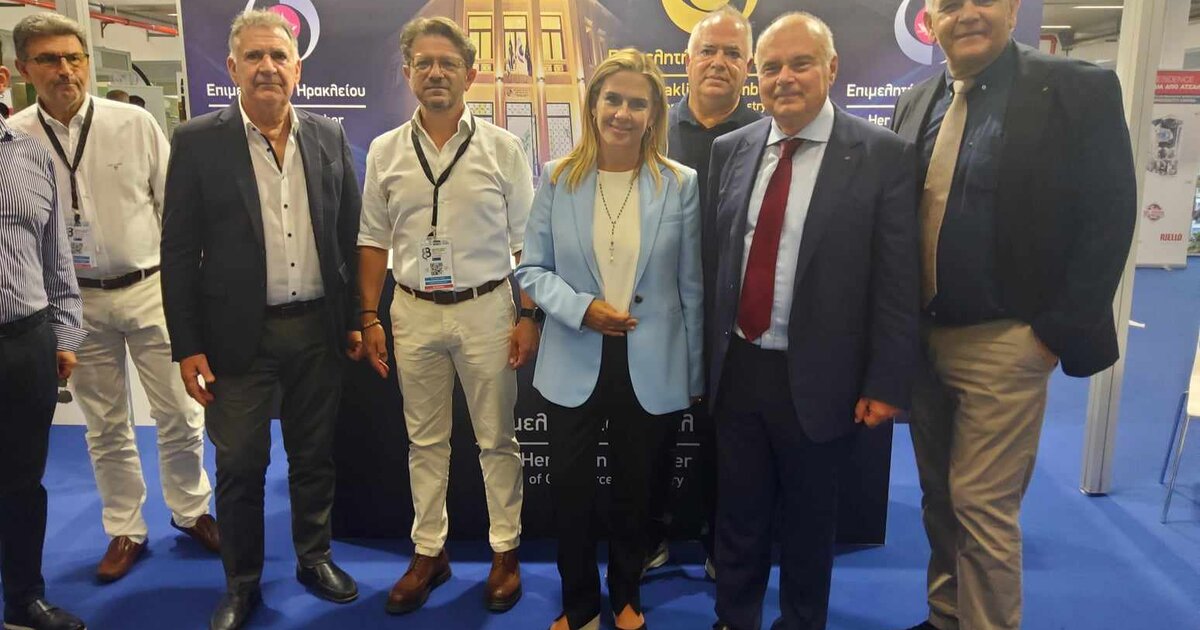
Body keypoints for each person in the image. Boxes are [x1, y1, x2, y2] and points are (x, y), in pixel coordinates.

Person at [890, 1, 1136, 629]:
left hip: (1008, 338)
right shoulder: (915, 103)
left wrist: (1051, 334)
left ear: (1012, 8)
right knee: (939, 496)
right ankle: (946, 616)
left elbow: (1109, 216)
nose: (967, 13)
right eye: (950, 4)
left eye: (983, 0)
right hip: (923, 337)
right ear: (930, 21)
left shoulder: (1075, 89)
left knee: (982, 504)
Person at [705, 12, 919, 630]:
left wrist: (886, 380)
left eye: (800, 64)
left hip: (825, 375)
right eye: (771, 67)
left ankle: (801, 621)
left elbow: (897, 282)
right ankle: (734, 618)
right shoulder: (730, 150)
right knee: (738, 514)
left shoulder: (883, 156)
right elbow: (716, 261)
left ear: (832, 68)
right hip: (739, 367)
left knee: (809, 520)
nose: (785, 78)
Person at [160, 10, 362, 629]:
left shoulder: (328, 136)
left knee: (313, 456)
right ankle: (241, 583)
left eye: (278, 56)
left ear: (298, 68)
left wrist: (358, 318)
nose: (267, 67)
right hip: (235, 337)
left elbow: (350, 235)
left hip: (318, 329)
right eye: (254, 56)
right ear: (232, 68)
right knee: (241, 466)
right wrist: (187, 344)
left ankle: (314, 558)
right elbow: (178, 251)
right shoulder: (198, 141)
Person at [9, 13, 217, 584]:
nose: (65, 70)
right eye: (49, 60)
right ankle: (125, 527)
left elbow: (176, 214)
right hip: (73, 303)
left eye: (74, 58)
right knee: (104, 425)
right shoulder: (15, 138)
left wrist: (189, 294)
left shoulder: (134, 123)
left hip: (151, 288)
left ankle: (192, 510)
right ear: (25, 69)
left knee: (181, 412)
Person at [516, 48, 703, 630]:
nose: (623, 113)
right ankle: (578, 605)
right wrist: (582, 310)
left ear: (654, 114)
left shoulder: (680, 184)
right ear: (593, 104)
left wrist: (695, 374)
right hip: (573, 356)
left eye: (637, 103)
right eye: (613, 99)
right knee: (570, 494)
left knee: (635, 492)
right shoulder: (557, 178)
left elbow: (691, 287)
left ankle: (626, 597)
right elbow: (531, 270)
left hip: (652, 362)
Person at [357, 16, 535, 616]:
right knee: (425, 440)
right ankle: (429, 551)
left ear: (470, 74)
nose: (436, 73)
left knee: (497, 439)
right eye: (424, 63)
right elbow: (372, 240)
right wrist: (369, 316)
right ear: (408, 73)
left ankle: (505, 550)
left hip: (487, 308)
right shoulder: (385, 151)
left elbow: (528, 244)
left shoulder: (504, 148)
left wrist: (528, 314)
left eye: (448, 63)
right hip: (412, 310)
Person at [648, 4, 760, 579]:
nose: (719, 62)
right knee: (653, 434)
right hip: (658, 313)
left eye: (732, 53)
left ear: (749, 66)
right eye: (708, 51)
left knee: (730, 442)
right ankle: (650, 537)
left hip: (736, 318)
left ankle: (720, 543)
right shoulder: (652, 130)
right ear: (686, 61)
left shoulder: (767, 136)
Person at [0, 37, 89, 630]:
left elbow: (56, 257)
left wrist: (63, 334)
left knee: (22, 481)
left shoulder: (29, 156)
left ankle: (23, 599)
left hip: (22, 340)